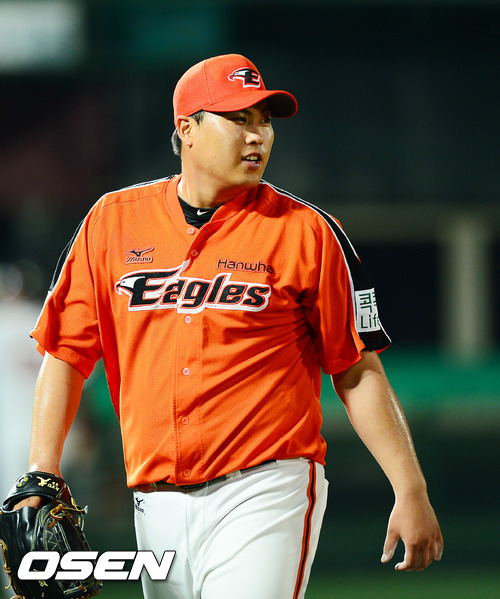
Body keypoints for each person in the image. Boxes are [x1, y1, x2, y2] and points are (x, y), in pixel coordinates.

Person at [14, 54, 442, 599]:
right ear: (187, 129)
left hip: (265, 486)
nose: (257, 135)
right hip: (154, 497)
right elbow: (65, 354)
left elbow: (356, 370)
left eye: (264, 120)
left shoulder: (307, 233)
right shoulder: (112, 222)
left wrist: (409, 486)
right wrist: (43, 469)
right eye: (238, 119)